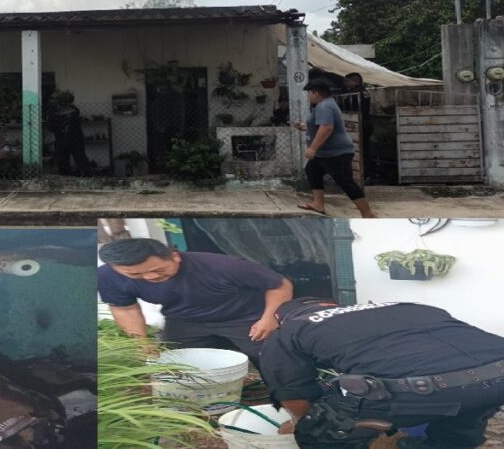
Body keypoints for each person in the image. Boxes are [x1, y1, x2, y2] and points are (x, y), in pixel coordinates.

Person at [260, 297, 504, 449]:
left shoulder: (291, 329)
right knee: (471, 399)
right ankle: (449, 444)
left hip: (422, 390)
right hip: (498, 374)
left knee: (322, 433)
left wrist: (306, 422)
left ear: (283, 319)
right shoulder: (408, 305)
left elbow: (292, 393)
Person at [97, 238, 293, 366]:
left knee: (274, 360)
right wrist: (141, 343)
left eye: (158, 270)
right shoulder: (107, 276)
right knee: (182, 364)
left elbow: (280, 285)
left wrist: (270, 318)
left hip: (244, 317)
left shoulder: (224, 266)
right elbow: (125, 309)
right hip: (183, 320)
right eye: (135, 274)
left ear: (175, 256)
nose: (149, 277)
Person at [294, 79, 376, 218]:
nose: (308, 96)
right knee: (312, 171)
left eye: (309, 93)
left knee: (345, 182)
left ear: (316, 93)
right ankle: (318, 204)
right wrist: (306, 127)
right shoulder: (324, 105)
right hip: (325, 152)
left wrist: (312, 148)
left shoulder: (324, 106)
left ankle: (367, 213)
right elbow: (321, 125)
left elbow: (327, 127)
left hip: (336, 152)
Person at [48, 90, 90, 176]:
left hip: (61, 139)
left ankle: (66, 176)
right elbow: (77, 125)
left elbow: (51, 127)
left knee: (63, 160)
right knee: (80, 158)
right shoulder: (75, 110)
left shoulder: (55, 112)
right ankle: (86, 174)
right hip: (75, 138)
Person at [344, 73, 374, 184]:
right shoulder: (365, 91)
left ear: (354, 81)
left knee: (358, 150)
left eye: (348, 81)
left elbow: (348, 108)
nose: (346, 84)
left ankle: (361, 175)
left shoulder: (354, 93)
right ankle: (367, 175)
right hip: (366, 122)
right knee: (365, 149)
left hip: (359, 123)